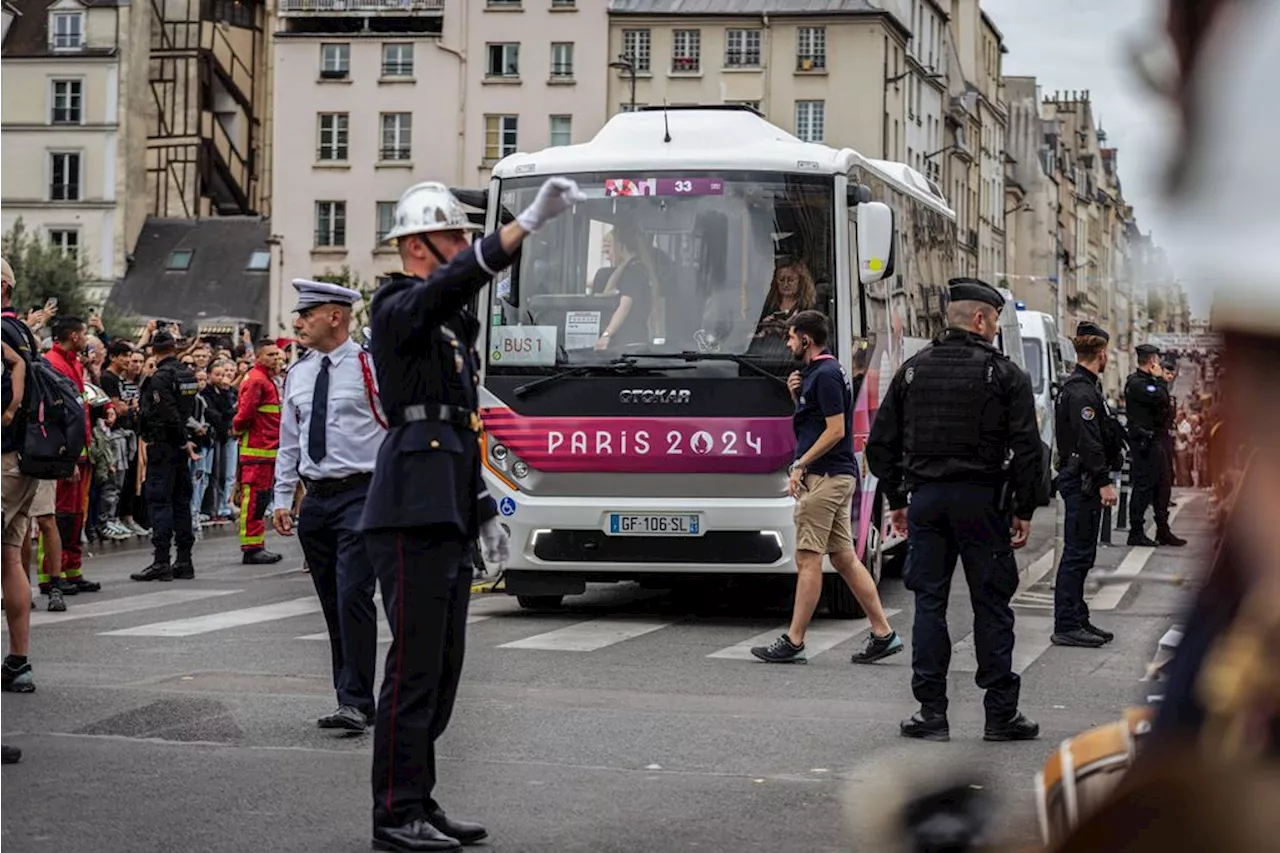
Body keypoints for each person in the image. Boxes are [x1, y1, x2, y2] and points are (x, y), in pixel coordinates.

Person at [360, 176, 583, 852]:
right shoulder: (398, 304)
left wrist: (484, 505)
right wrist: (517, 233)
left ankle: (419, 798)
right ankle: (395, 813)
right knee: (413, 667)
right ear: (419, 244)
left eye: (468, 237)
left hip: (446, 502)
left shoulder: (449, 328)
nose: (464, 247)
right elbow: (449, 285)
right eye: (454, 236)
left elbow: (459, 428)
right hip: (408, 508)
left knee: (442, 667)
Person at [866, 278, 1042, 744]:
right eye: (996, 320)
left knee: (929, 604)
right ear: (981, 319)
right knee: (992, 606)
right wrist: (1024, 509)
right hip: (984, 502)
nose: (996, 329)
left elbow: (880, 446)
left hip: (927, 501)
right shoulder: (1005, 375)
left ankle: (931, 712)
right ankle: (1000, 716)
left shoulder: (912, 371)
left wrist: (899, 500)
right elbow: (1028, 449)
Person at [750, 309, 902, 665]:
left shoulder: (828, 374)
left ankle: (795, 640)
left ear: (807, 339)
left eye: (791, 337)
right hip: (832, 475)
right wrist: (794, 397)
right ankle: (884, 634)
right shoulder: (816, 374)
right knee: (845, 558)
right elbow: (815, 424)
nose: (787, 343)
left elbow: (835, 431)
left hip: (828, 477)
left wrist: (800, 465)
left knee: (807, 558)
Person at [272, 279, 384, 734]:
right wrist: (282, 497)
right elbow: (288, 441)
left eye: (307, 313)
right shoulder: (298, 373)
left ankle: (355, 700)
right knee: (333, 603)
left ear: (335, 316)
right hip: (316, 500)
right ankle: (351, 696)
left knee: (354, 594)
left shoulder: (370, 368)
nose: (298, 322)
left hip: (363, 493)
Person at [1050, 322, 1121, 649]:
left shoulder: (1082, 386)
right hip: (1083, 478)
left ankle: (1077, 617)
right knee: (1077, 554)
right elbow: (1089, 442)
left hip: (1082, 477)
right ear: (1102, 354)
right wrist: (1104, 481)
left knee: (1083, 553)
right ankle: (1067, 623)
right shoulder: (1081, 391)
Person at [130, 329, 200, 582]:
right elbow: (185, 410)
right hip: (180, 445)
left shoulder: (160, 378)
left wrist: (180, 441)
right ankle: (184, 560)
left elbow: (167, 413)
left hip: (164, 445)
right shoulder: (187, 374)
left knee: (160, 502)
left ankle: (161, 561)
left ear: (153, 350)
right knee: (181, 501)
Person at [43, 316, 102, 594]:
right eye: (84, 333)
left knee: (76, 514)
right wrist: (66, 455)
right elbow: (58, 415)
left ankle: (72, 570)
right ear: (75, 336)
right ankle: (50, 573)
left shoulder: (75, 363)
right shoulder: (53, 364)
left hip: (81, 450)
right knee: (59, 515)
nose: (86, 338)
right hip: (67, 452)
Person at [1124, 344, 1186, 547]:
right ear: (1152, 361)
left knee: (1163, 486)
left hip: (1157, 441)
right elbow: (1161, 399)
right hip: (1145, 442)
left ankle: (1163, 529)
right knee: (1143, 487)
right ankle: (1136, 531)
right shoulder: (1138, 383)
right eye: (1157, 360)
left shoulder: (1148, 382)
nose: (1158, 363)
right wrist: (1160, 380)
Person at [232, 340, 284, 564]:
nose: (276, 358)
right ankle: (251, 547)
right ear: (258, 357)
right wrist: (238, 430)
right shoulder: (256, 380)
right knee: (252, 499)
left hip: (267, 449)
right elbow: (244, 415)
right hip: (257, 450)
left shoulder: (266, 380)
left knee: (260, 499)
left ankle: (257, 543)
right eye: (270, 355)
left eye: (277, 354)